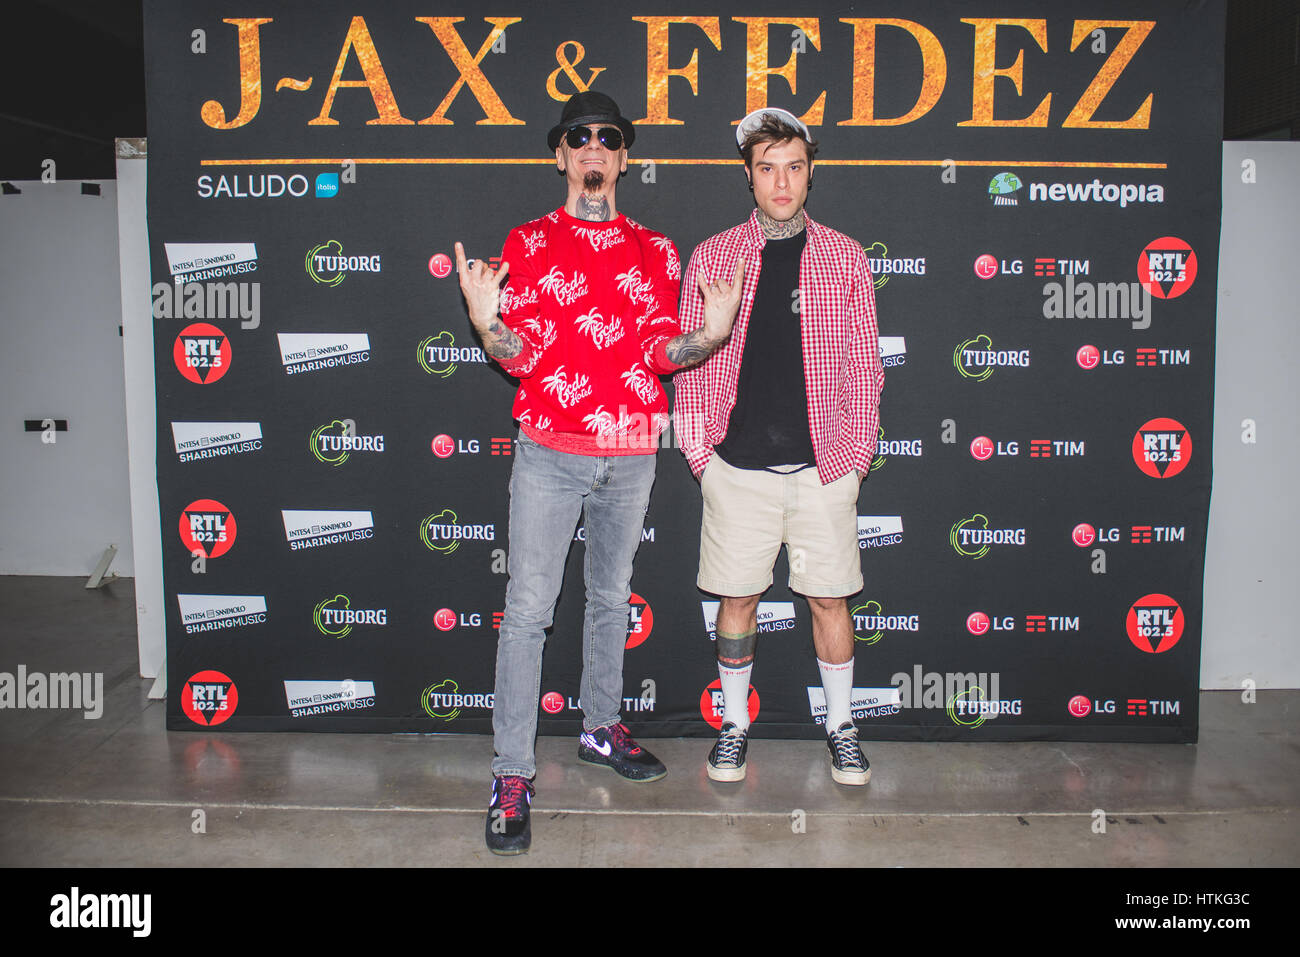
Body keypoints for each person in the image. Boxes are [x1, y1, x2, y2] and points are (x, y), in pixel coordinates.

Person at [455, 91, 743, 855]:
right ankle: (512, 772)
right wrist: (487, 321)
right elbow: (518, 355)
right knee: (528, 611)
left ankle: (600, 729)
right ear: (560, 155)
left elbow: (659, 351)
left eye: (606, 139)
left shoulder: (656, 248)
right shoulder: (527, 241)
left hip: (633, 451)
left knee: (611, 598)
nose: (591, 149)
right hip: (551, 451)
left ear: (623, 158)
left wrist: (708, 335)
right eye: (577, 138)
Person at [674, 107, 885, 787]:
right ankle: (734, 725)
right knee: (737, 601)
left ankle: (842, 727)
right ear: (749, 176)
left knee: (830, 600)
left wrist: (854, 460)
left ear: (810, 171)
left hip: (825, 469)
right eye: (767, 168)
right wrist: (703, 458)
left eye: (794, 166)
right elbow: (691, 361)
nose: (782, 180)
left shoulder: (845, 256)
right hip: (736, 469)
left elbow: (866, 367)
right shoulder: (713, 256)